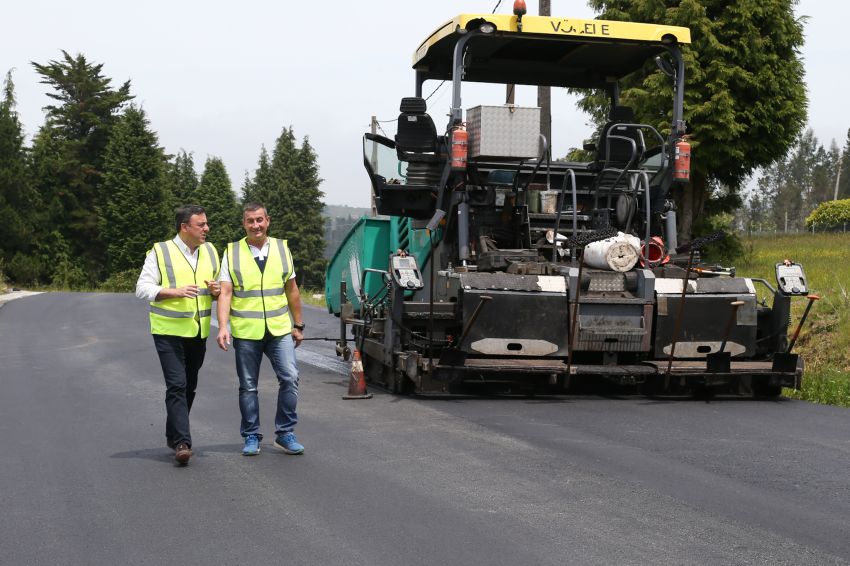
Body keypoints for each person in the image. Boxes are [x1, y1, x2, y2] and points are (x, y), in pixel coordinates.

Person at [216, 202, 305, 456]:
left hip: (279, 330)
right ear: (243, 224)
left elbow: (292, 290)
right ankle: (251, 435)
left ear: (268, 220)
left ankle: (285, 433)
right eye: (250, 221)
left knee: (290, 377)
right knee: (248, 386)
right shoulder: (232, 252)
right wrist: (223, 326)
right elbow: (225, 292)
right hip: (246, 331)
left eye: (259, 220)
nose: (255, 225)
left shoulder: (282, 248)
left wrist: (298, 325)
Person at [136, 205, 220, 465]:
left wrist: (216, 290)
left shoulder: (211, 251)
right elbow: (142, 288)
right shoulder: (160, 251)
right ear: (185, 227)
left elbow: (217, 289)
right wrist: (174, 292)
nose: (206, 229)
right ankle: (183, 443)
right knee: (177, 384)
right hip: (168, 331)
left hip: (198, 331)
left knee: (190, 386)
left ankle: (173, 434)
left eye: (206, 224)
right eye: (201, 225)